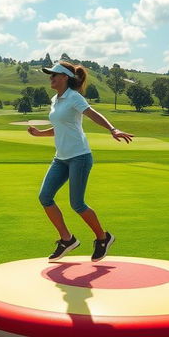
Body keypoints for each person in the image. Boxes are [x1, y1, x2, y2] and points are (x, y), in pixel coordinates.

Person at [27, 62, 133, 262]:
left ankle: (103, 237)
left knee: (77, 203)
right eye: (50, 75)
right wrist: (40, 134)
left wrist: (113, 129)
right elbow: (59, 127)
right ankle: (67, 239)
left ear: (65, 77)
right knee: (45, 197)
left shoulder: (74, 97)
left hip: (79, 157)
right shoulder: (55, 100)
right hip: (61, 158)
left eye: (54, 75)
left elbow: (93, 114)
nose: (51, 78)